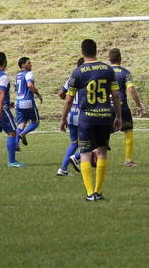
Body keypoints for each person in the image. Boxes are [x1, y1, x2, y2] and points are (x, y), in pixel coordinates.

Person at [60, 39, 122, 201]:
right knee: (101, 152)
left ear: (83, 52)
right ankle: (99, 191)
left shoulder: (78, 72)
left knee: (86, 154)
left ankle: (89, 193)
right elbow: (115, 95)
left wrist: (63, 118)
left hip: (86, 117)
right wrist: (119, 116)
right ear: (96, 50)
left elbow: (68, 99)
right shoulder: (108, 70)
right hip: (105, 116)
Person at [109, 48, 143, 167]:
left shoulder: (104, 72)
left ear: (109, 59)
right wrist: (138, 105)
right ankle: (128, 160)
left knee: (102, 134)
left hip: (106, 107)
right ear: (120, 58)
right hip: (121, 106)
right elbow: (131, 89)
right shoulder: (125, 73)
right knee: (128, 131)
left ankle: (92, 157)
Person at [56, 57, 84, 176]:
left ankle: (63, 168)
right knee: (93, 142)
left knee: (74, 143)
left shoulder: (71, 79)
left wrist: (64, 115)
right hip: (83, 114)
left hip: (71, 114)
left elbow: (61, 94)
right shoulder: (88, 78)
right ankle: (76, 157)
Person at [14, 57, 43, 149]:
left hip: (18, 102)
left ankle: (15, 144)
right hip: (27, 102)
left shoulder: (17, 75)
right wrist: (38, 94)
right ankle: (23, 134)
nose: (31, 65)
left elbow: (16, 88)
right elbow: (30, 85)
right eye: (29, 63)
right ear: (23, 65)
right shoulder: (29, 74)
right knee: (36, 122)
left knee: (21, 123)